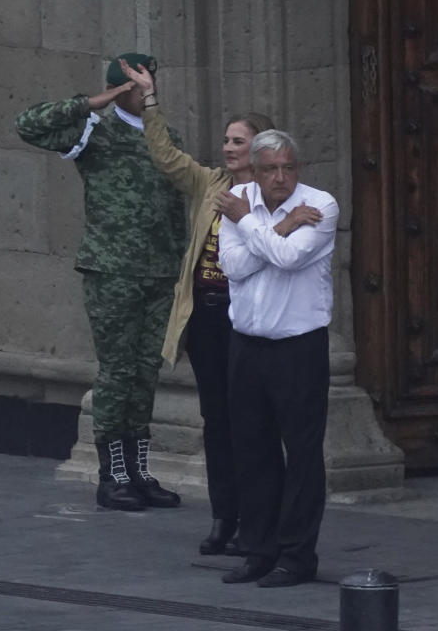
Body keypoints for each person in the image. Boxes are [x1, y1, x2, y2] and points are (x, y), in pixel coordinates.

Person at [118, 61, 321, 556]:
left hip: (248, 318)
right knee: (217, 420)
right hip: (208, 315)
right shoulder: (212, 184)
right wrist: (149, 101)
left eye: (237, 141)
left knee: (251, 423)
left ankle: (261, 524)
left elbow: (280, 254)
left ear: (260, 149)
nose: (228, 148)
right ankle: (224, 515)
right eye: (227, 141)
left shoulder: (275, 197)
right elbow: (166, 157)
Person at [15, 54, 185, 512]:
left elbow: (175, 212)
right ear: (125, 86)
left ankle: (140, 471)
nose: (153, 87)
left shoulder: (165, 135)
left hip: (159, 272)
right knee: (117, 372)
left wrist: (179, 266)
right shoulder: (96, 131)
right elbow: (28, 125)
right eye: (143, 80)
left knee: (145, 373)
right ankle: (111, 476)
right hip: (111, 271)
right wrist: (94, 101)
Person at [214, 129, 338, 588]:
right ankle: (258, 549)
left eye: (288, 168)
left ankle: (297, 556)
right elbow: (234, 267)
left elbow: (288, 260)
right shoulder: (236, 200)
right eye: (271, 169)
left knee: (302, 454)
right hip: (246, 346)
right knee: (251, 450)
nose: (281, 178)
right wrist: (276, 226)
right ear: (256, 169)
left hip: (298, 347)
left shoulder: (321, 205)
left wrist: (256, 228)